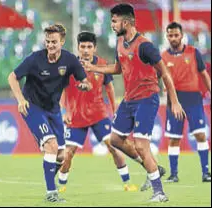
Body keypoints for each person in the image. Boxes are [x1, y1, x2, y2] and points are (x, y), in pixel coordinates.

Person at [85, 4, 185, 202]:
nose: (112, 25)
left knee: (141, 145)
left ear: (127, 22)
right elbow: (117, 68)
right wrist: (93, 67)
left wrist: (174, 101)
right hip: (129, 99)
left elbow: (164, 71)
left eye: (114, 21)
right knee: (115, 140)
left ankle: (159, 193)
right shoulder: (120, 42)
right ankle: (152, 168)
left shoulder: (145, 46)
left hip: (147, 99)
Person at [8, 23, 92, 203]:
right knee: (51, 146)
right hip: (32, 107)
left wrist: (84, 85)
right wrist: (20, 99)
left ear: (62, 42)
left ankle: (48, 177)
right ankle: (51, 192)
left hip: (53, 110)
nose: (50, 45)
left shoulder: (70, 60)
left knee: (61, 156)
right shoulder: (35, 59)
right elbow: (12, 77)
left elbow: (85, 81)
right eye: (47, 41)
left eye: (54, 42)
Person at [58, 31, 138, 193]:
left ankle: (127, 182)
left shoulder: (101, 65)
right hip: (76, 116)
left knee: (114, 147)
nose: (86, 50)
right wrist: (64, 111)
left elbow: (109, 87)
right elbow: (62, 90)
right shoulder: (70, 66)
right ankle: (61, 186)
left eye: (89, 46)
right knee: (68, 154)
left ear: (94, 48)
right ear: (78, 48)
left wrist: (115, 109)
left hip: (98, 115)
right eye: (83, 46)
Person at [161, 22, 211, 183]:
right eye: (170, 35)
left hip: (193, 99)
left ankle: (206, 172)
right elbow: (159, 77)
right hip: (174, 100)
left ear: (181, 35)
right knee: (174, 138)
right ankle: (173, 174)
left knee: (200, 135)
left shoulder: (193, 52)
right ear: (167, 36)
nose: (173, 38)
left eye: (176, 35)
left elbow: (203, 74)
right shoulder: (163, 56)